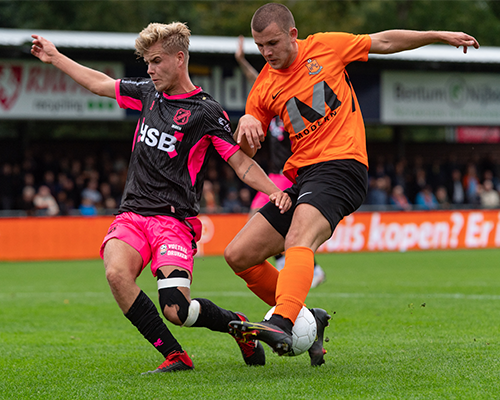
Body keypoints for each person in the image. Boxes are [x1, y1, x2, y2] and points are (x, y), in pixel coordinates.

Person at [225, 2, 479, 363]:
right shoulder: (263, 86)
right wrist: (247, 129)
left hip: (342, 166)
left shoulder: (326, 46)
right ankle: (308, 319)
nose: (267, 53)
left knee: (300, 237)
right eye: (260, 46)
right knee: (239, 255)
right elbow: (247, 150)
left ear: (293, 35)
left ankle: (283, 321)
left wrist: (437, 35)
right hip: (304, 176)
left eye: (273, 44)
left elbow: (385, 42)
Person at [31, 22, 292, 373]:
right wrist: (56, 57)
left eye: (156, 61)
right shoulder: (146, 93)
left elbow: (240, 162)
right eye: (147, 63)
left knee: (177, 311)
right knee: (116, 274)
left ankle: (237, 325)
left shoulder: (205, 111)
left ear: (179, 58)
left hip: (173, 223)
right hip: (132, 215)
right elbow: (99, 83)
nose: (150, 70)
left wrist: (274, 191)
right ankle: (175, 355)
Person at [235, 35, 326, 288]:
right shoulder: (269, 105)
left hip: (289, 176)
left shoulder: (291, 112)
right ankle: (294, 266)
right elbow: (257, 81)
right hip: (273, 176)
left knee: (278, 226)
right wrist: (241, 60)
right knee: (258, 224)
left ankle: (304, 268)